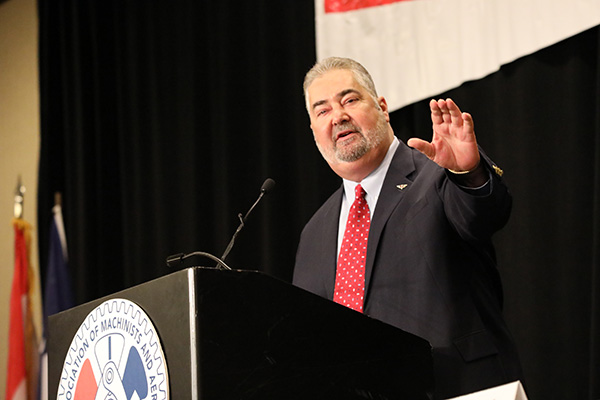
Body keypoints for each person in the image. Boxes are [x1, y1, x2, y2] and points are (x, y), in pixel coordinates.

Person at [293, 57, 524, 399]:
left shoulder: (435, 173)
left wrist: (467, 173)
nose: (338, 116)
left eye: (350, 100)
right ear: (313, 130)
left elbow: (484, 215)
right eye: (322, 110)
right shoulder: (313, 234)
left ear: (383, 108)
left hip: (456, 387)